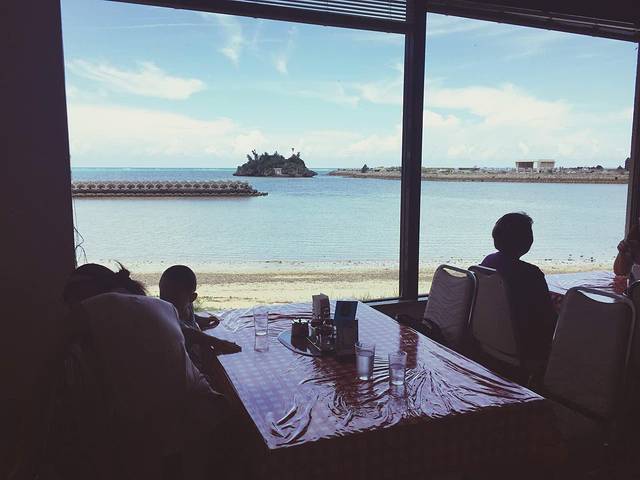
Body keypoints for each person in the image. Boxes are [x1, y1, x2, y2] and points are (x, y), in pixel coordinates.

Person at [60, 263, 234, 479]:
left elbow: (55, 347)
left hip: (158, 427)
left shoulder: (97, 305)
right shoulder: (160, 306)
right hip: (207, 408)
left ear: (84, 295)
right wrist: (215, 341)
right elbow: (184, 331)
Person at [480, 213, 557, 373]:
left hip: (488, 342)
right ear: (527, 241)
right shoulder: (531, 274)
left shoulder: (488, 262)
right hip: (524, 348)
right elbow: (548, 320)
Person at [159, 265, 240, 380]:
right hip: (183, 369)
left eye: (175, 295)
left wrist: (201, 320)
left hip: (197, 359)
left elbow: (189, 319)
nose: (167, 300)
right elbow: (188, 333)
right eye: (163, 294)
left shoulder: (187, 307)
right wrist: (219, 343)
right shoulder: (166, 316)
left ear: (192, 298)